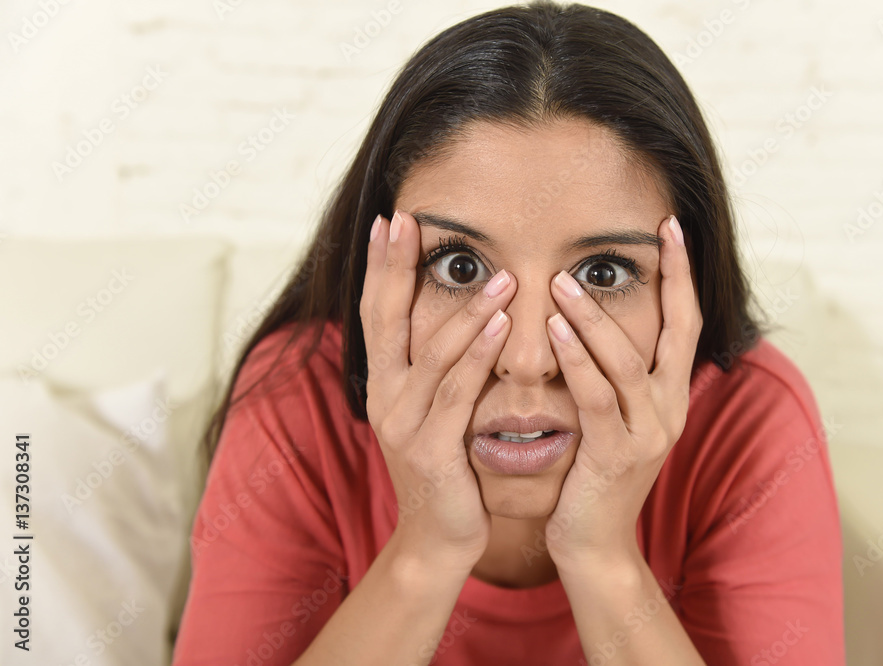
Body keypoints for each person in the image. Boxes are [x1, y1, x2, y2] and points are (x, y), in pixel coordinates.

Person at [172, 2, 844, 664]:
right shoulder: (295, 403)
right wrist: (425, 551)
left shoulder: (752, 423)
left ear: (686, 285)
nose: (527, 360)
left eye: (604, 272)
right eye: (459, 267)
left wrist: (602, 558)